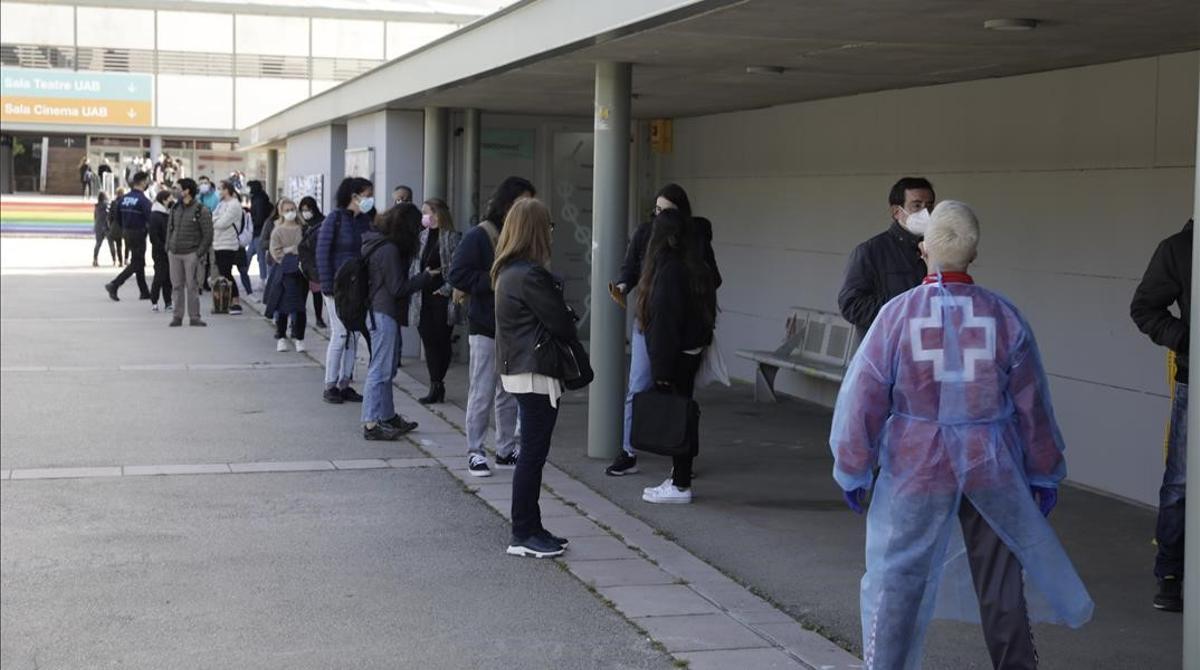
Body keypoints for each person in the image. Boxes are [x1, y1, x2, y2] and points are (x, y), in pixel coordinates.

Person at [829, 201, 1093, 669]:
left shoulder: (896, 316)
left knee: (898, 579)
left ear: (923, 248)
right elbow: (1032, 405)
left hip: (916, 468)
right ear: (973, 254)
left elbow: (864, 398)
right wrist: (1043, 472)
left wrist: (852, 468)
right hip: (991, 466)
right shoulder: (1003, 317)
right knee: (1000, 583)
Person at [606, 183, 722, 477]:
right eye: (656, 211)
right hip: (649, 322)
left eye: (666, 211)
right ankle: (629, 450)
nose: (660, 217)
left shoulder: (693, 240)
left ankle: (679, 462)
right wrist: (622, 285)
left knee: (680, 393)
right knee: (640, 385)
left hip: (681, 327)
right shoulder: (647, 234)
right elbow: (630, 266)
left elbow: (713, 278)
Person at [493, 198, 577, 559]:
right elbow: (560, 322)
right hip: (533, 371)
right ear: (536, 231)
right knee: (532, 455)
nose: (552, 234)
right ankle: (523, 533)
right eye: (550, 227)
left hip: (521, 368)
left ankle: (531, 526)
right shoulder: (529, 274)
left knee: (532, 453)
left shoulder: (509, 270)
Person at [448, 176, 535, 477]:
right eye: (523, 201)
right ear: (508, 203)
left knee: (508, 391)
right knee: (482, 390)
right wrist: (496, 281)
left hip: (513, 327)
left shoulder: (522, 236)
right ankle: (475, 451)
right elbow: (457, 275)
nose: (528, 208)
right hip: (485, 325)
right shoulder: (479, 235)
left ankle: (505, 449)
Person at [1130, 218, 1193, 613]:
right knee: (1181, 482)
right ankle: (1169, 575)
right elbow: (1144, 308)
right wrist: (1189, 340)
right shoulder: (1179, 248)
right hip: (1194, 380)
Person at [637, 208, 718, 504]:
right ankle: (678, 478)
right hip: (691, 350)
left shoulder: (667, 269)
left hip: (676, 356)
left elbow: (665, 323)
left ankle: (680, 484)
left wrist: (660, 371)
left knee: (678, 419)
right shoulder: (694, 264)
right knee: (684, 415)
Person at [838, 177, 936, 340]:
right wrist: (907, 308)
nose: (925, 213)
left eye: (930, 206)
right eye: (917, 206)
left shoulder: (936, 250)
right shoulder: (871, 251)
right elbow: (851, 306)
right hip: (883, 352)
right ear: (896, 212)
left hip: (923, 352)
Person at [359, 204, 423, 440]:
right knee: (379, 370)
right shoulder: (389, 250)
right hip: (383, 313)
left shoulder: (378, 242)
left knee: (384, 369)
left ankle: (387, 416)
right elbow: (398, 288)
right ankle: (371, 423)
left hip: (379, 312)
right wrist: (425, 278)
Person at [317, 177, 375, 404]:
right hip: (336, 286)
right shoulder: (335, 219)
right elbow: (322, 252)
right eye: (367, 194)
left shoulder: (364, 221)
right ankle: (330, 384)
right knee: (340, 333)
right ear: (354, 196)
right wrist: (327, 285)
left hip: (357, 286)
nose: (370, 199)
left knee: (353, 333)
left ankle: (345, 383)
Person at [412, 198, 462, 404]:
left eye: (427, 212)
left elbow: (458, 267)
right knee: (428, 339)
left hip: (442, 297)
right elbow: (414, 264)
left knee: (442, 340)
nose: (424, 216)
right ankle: (435, 384)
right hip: (422, 296)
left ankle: (438, 381)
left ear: (438, 214)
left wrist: (447, 289)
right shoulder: (421, 237)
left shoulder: (452, 238)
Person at [166, 178, 213, 327]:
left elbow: (208, 235)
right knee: (176, 286)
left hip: (191, 254)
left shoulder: (201, 210)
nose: (175, 191)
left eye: (178, 188)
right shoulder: (175, 208)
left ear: (187, 191)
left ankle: (194, 317)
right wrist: (168, 247)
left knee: (192, 286)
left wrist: (198, 253)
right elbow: (170, 229)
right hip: (174, 253)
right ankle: (177, 317)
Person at [266, 198, 308, 353]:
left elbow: (306, 249)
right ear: (281, 212)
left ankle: (299, 338)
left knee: (300, 307)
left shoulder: (303, 228)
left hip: (301, 272)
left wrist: (291, 251)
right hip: (284, 272)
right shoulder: (277, 230)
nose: (290, 212)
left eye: (292, 209)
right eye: (287, 210)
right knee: (283, 306)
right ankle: (281, 337)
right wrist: (290, 251)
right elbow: (275, 252)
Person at [104, 173, 152, 302]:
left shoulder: (123, 199)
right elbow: (150, 219)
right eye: (146, 181)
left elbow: (117, 218)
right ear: (142, 183)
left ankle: (144, 291)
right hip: (139, 232)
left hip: (126, 232)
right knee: (137, 262)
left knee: (138, 261)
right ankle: (114, 284)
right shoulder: (144, 201)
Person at [210, 180, 246, 315]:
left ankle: (236, 301)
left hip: (229, 243)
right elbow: (213, 218)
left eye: (221, 188)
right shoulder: (221, 204)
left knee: (227, 272)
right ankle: (228, 300)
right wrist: (216, 220)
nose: (219, 191)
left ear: (227, 190)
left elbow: (222, 223)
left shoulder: (234, 205)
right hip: (218, 242)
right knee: (223, 273)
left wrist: (216, 220)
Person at [299, 196, 327, 328]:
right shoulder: (300, 224)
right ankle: (298, 321)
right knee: (301, 293)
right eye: (303, 210)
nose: (306, 212)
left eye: (308, 209)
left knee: (317, 293)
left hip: (315, 263)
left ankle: (318, 317)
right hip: (303, 264)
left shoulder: (322, 222)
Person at [147, 189, 173, 313]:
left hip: (168, 250)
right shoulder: (156, 214)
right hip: (159, 251)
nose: (171, 200)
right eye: (169, 198)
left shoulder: (167, 213)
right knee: (160, 276)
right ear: (164, 200)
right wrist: (162, 247)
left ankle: (168, 301)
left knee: (168, 277)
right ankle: (154, 300)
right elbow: (153, 236)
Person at [248, 180, 274, 285]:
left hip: (259, 232)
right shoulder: (259, 198)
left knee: (260, 256)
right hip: (257, 232)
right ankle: (261, 278)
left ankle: (263, 279)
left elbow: (259, 217)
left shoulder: (259, 200)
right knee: (252, 255)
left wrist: (252, 223)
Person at [92, 192, 115, 267]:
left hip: (98, 226)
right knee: (111, 243)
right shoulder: (107, 205)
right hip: (106, 227)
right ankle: (114, 259)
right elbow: (109, 216)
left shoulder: (97, 206)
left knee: (98, 244)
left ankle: (95, 259)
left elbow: (95, 217)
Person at [108, 187, 126, 267]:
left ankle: (119, 261)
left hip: (115, 225)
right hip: (124, 225)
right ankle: (125, 259)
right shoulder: (125, 202)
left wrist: (111, 224)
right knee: (126, 244)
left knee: (118, 244)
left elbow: (110, 215)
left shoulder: (113, 202)